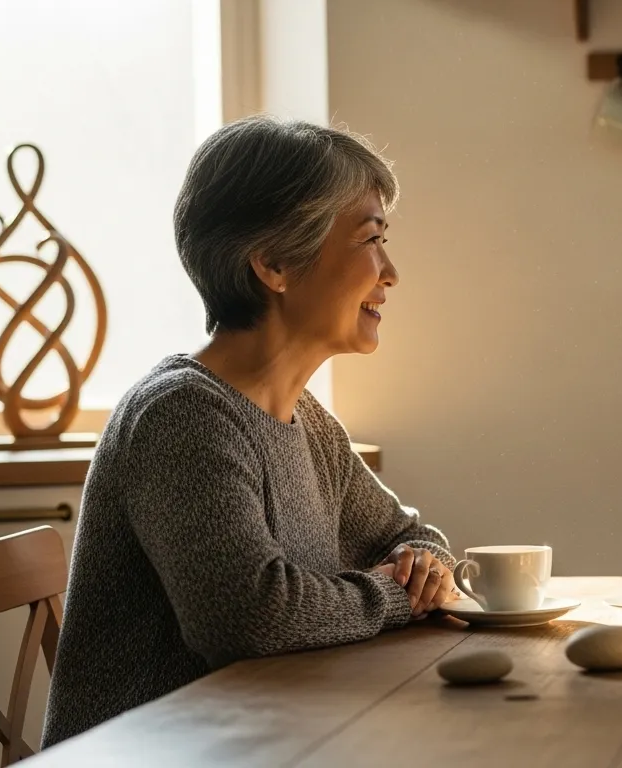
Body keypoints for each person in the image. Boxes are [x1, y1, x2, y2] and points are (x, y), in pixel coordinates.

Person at [44, 116, 455, 746]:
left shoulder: (306, 421)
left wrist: (421, 566)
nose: (390, 271)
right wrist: (397, 596)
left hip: (260, 743)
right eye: (370, 240)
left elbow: (410, 536)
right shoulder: (182, 416)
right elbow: (252, 617)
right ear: (274, 263)